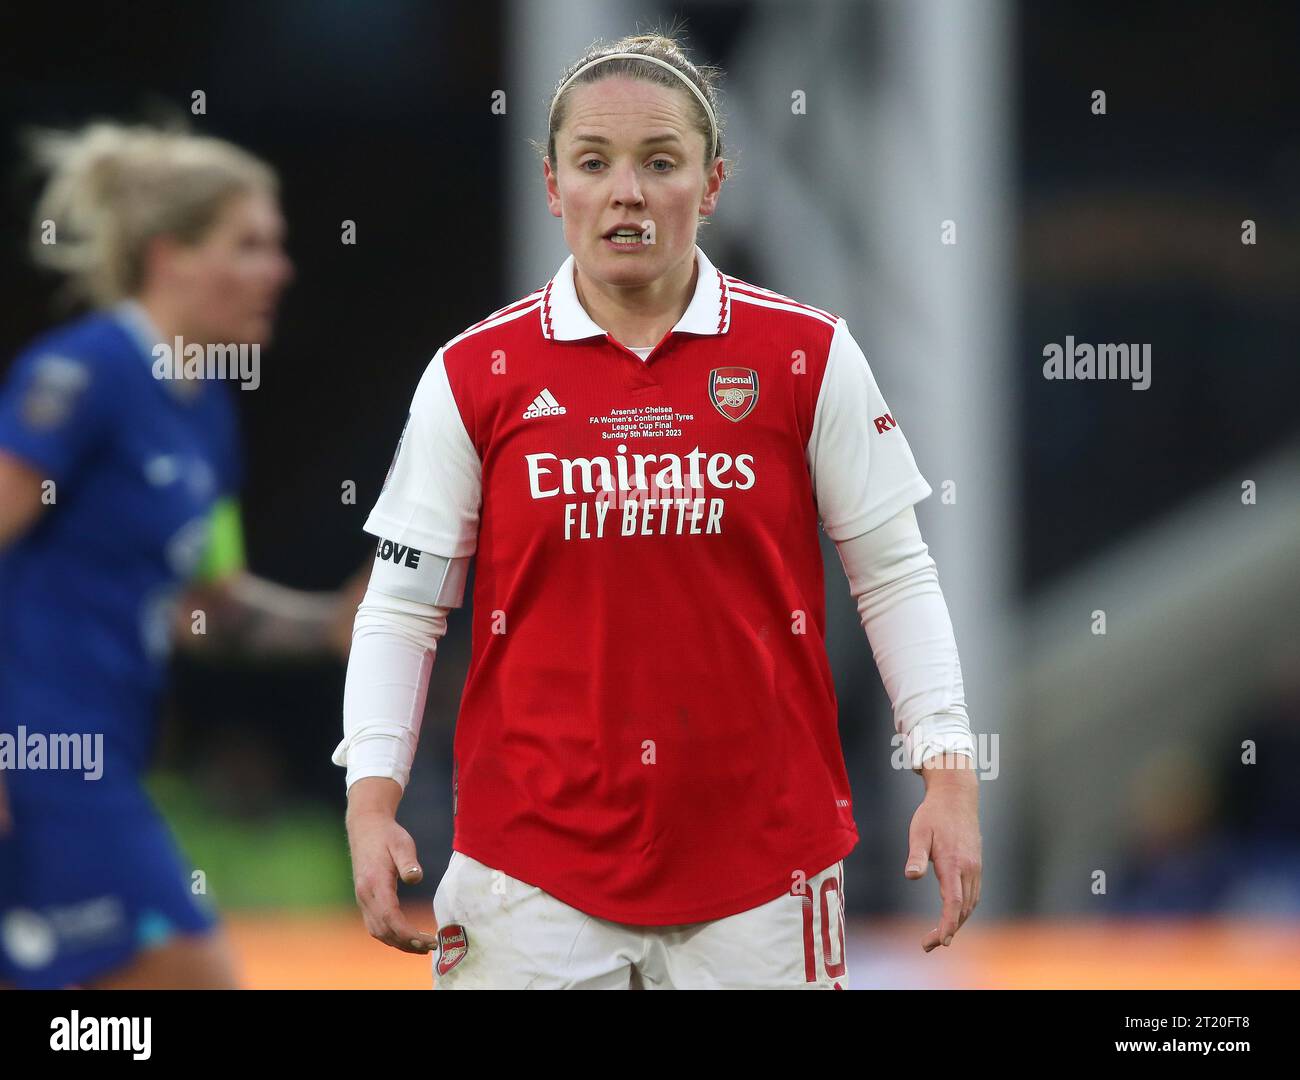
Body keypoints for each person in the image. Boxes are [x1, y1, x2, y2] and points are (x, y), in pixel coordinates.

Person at [335, 32, 982, 990]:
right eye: (592, 163)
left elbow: (894, 575)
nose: (625, 191)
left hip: (765, 864)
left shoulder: (807, 357)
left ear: (713, 184)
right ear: (554, 187)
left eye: (660, 162)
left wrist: (949, 772)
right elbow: (404, 607)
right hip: (528, 873)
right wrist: (369, 800)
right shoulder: (476, 375)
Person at [0, 122, 362, 990]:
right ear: (171, 256)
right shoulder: (86, 375)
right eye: (250, 245)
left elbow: (204, 607)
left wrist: (334, 627)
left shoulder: (204, 415)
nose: (279, 269)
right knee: (189, 974)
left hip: (101, 759)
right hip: (39, 753)